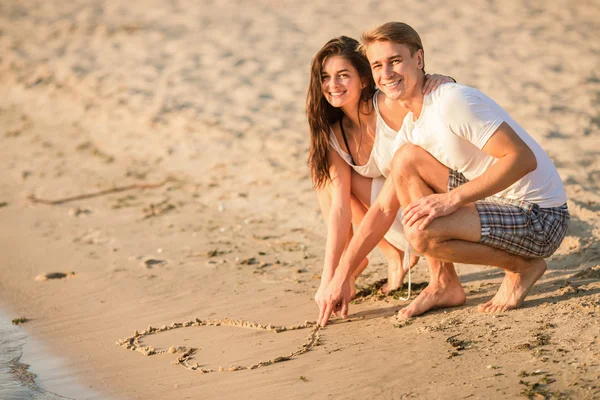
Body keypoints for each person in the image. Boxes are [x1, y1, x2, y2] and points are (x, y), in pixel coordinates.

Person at [316, 22, 569, 326]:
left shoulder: (452, 101)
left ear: (418, 59)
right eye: (378, 65)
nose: (387, 73)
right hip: (501, 203)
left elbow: (522, 159)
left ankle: (522, 266)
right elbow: (383, 208)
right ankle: (443, 284)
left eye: (396, 61)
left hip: (541, 217)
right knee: (406, 160)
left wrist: (452, 199)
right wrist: (339, 277)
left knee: (421, 234)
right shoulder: (412, 124)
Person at [306, 36, 454, 311]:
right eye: (326, 77)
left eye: (343, 75)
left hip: (433, 214)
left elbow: (435, 104)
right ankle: (383, 257)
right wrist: (331, 276)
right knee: (326, 179)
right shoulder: (335, 135)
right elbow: (339, 209)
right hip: (393, 219)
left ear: (364, 79)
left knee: (409, 164)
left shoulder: (387, 106)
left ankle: (442, 277)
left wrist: (444, 80)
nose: (332, 85)